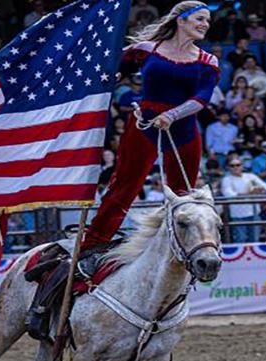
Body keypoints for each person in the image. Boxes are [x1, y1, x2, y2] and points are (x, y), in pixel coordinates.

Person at [75, 2, 220, 276]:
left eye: (208, 21)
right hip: (144, 125)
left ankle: (178, 252)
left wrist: (172, 115)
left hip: (184, 131)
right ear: (181, 20)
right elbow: (115, 68)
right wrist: (109, 80)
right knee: (123, 186)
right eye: (200, 19)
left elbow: (202, 98)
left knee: (182, 195)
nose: (205, 25)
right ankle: (92, 246)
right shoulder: (147, 49)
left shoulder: (207, 61)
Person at [218, 155, 266, 243]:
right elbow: (229, 195)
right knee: (240, 239)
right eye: (232, 165)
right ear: (228, 168)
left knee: (254, 239)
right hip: (237, 215)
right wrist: (250, 193)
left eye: (238, 165)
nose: (235, 167)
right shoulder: (226, 179)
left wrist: (260, 190)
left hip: (254, 212)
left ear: (242, 166)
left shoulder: (251, 176)